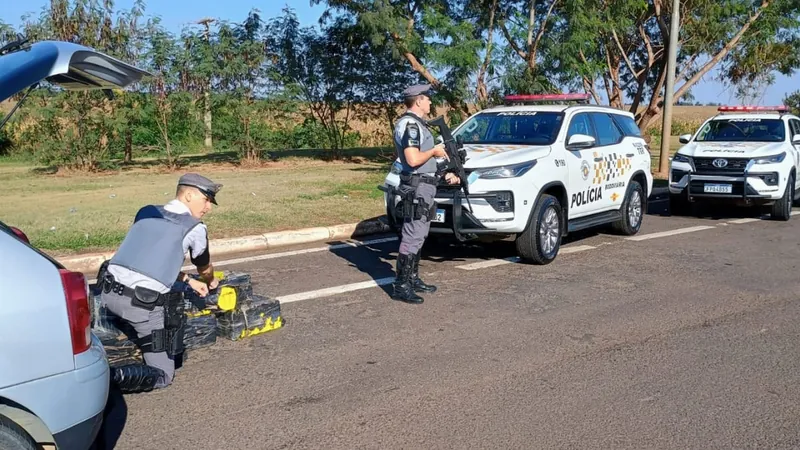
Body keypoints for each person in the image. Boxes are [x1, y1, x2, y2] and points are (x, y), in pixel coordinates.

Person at [97, 173, 222, 393]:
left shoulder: (146, 212)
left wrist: (188, 281)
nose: (208, 207)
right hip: (140, 307)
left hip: (107, 295)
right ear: (189, 195)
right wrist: (210, 280)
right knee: (164, 374)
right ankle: (109, 381)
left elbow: (152, 259)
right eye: (206, 200)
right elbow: (204, 267)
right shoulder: (195, 228)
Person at [391, 84, 461, 304]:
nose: (431, 102)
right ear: (419, 100)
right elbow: (412, 160)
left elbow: (424, 163)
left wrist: (444, 173)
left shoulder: (417, 125)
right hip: (417, 187)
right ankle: (401, 285)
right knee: (412, 234)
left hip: (425, 185)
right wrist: (434, 151)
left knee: (419, 234)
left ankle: (412, 278)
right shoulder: (411, 126)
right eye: (428, 98)